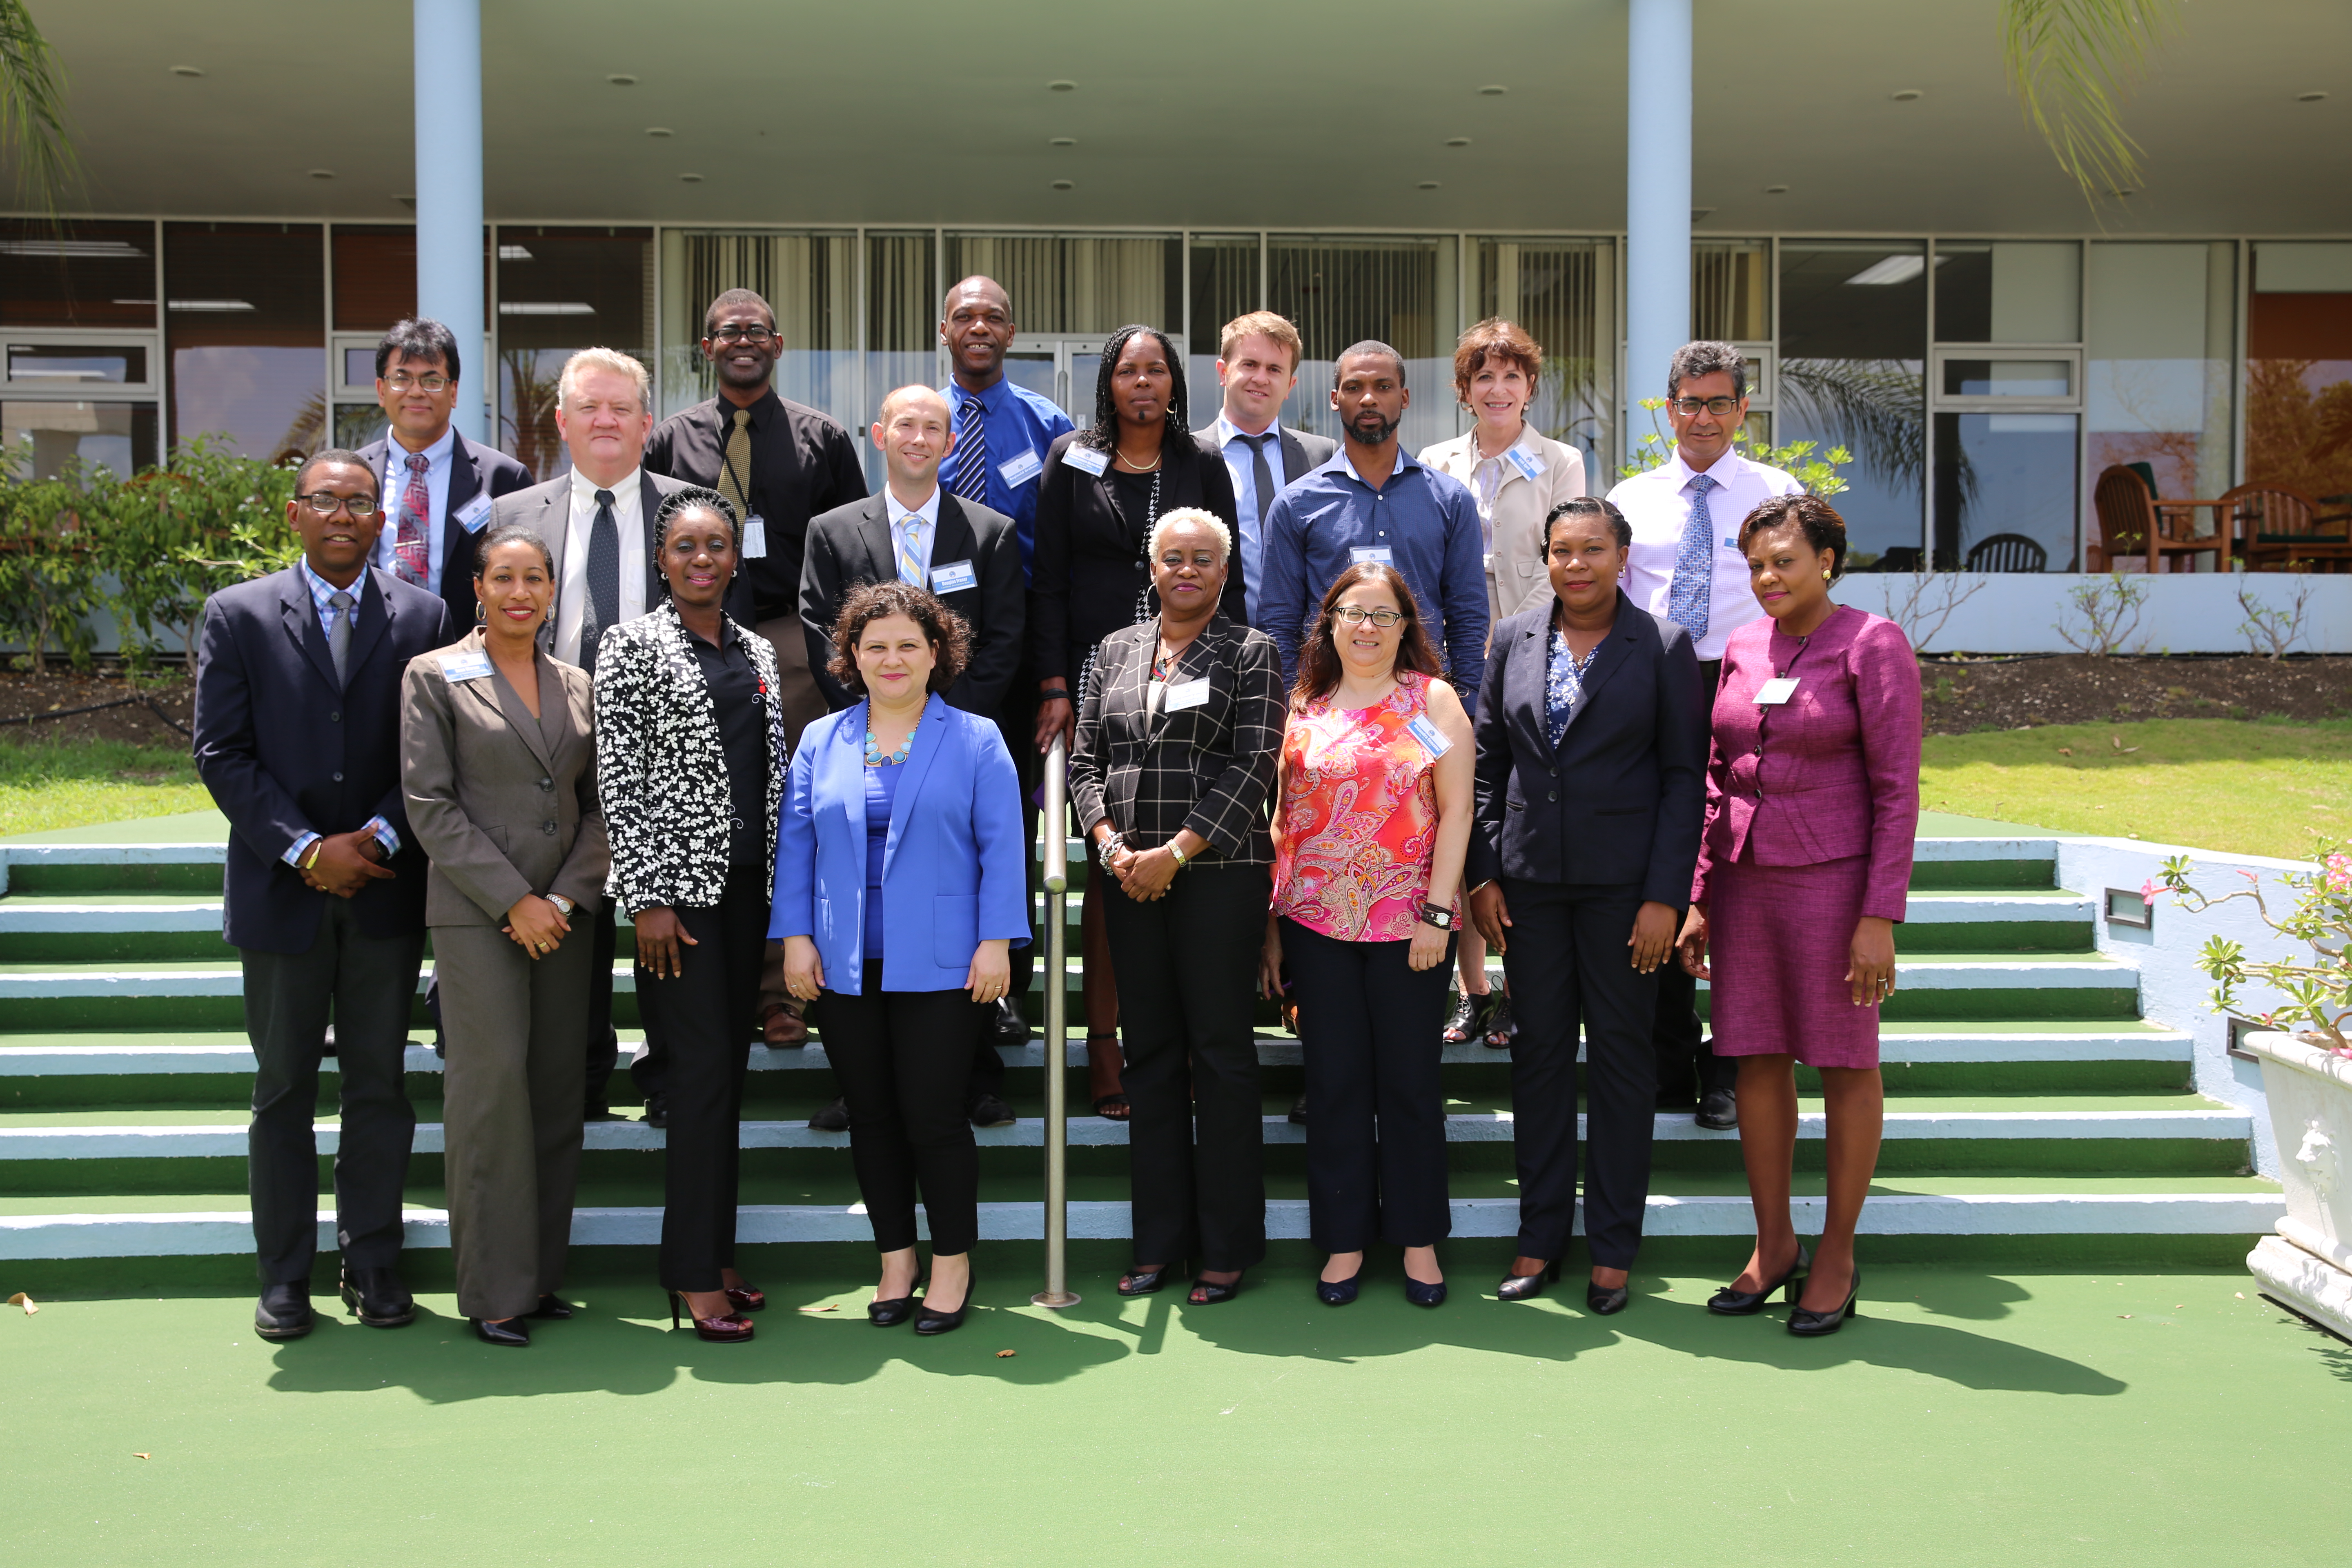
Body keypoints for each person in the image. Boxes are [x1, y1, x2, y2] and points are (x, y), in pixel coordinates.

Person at [191, 449, 457, 1341]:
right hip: (283, 895)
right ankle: (285, 1276)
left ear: (384, 521)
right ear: (295, 514)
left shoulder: (424, 615)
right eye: (326, 501)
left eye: (361, 503)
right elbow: (221, 754)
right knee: (283, 1092)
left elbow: (431, 754)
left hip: (384, 889)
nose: (344, 515)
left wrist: (378, 836)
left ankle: (375, 1262)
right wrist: (306, 850)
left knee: (380, 1086)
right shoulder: (238, 615)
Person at [1677, 493, 1920, 1337]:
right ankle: (1773, 1244)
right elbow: (1717, 775)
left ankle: (1838, 1253)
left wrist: (1878, 915)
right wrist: (1703, 894)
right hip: (1746, 885)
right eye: (1755, 566)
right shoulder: (1743, 647)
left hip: (1835, 886)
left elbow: (1897, 791)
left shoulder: (1872, 644)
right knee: (1753, 1059)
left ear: (1828, 561)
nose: (1768, 578)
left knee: (1846, 1064)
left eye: (1784, 561)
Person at [1465, 498, 1704, 1314]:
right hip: (1528, 888)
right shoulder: (1512, 639)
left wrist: (1665, 898)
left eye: (1593, 550)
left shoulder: (1664, 646)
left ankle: (1613, 1247)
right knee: (1536, 1062)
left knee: (1620, 1064)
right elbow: (1490, 762)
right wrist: (1485, 873)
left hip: (1623, 893)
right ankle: (1539, 1240)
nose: (1576, 565)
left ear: (1623, 555)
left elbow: (1683, 779)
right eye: (1562, 551)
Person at [774, 581, 1029, 1337]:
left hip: (947, 964)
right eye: (875, 645)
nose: (891, 658)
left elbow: (1002, 847)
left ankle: (952, 1262)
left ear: (935, 653)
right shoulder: (823, 738)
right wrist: (795, 937)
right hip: (845, 963)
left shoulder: (977, 738)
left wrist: (996, 942)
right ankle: (896, 1259)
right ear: (851, 656)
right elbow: (796, 845)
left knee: (935, 1118)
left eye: (907, 645)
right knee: (873, 1120)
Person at [398, 524, 607, 1347]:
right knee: (489, 1098)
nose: (521, 593)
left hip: (565, 919)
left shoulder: (578, 683)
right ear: (477, 588)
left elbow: (601, 807)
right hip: (481, 918)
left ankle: (539, 1277)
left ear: (553, 592)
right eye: (504, 578)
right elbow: (430, 806)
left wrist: (561, 898)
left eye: (536, 579)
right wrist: (514, 899)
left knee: (556, 1094)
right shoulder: (434, 675)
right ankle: (491, 1288)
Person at [1069, 509, 1284, 1307]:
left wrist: (1176, 852)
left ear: (1224, 574)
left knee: (1221, 1055)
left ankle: (1227, 1248)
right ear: (1151, 569)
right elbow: (1085, 757)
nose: (1186, 570)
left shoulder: (1252, 652)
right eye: (1172, 559)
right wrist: (1110, 845)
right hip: (1128, 877)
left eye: (1203, 560)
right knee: (1150, 1055)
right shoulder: (1113, 652)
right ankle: (1159, 1241)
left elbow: (1254, 762)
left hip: (1217, 875)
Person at [645, 289, 867, 1053]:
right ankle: (705, 992)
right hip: (690, 641)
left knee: (784, 815)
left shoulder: (823, 440)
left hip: (786, 643)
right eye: (727, 333)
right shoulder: (670, 440)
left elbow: (851, 554)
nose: (743, 342)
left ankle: (780, 994)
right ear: (705, 349)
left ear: (778, 345)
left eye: (757, 332)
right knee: (699, 807)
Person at [800, 385, 1025, 1131]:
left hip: (956, 752)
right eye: (907, 424)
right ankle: (857, 1085)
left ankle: (977, 1074)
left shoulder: (990, 532)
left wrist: (943, 728)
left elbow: (1002, 643)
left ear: (951, 441)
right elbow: (818, 632)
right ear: (880, 435)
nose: (920, 437)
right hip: (864, 743)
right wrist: (880, 718)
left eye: (936, 427)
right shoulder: (833, 532)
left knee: (959, 905)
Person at [1031, 324, 1242, 1119]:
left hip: (1188, 674)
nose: (1143, 383)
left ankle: (1180, 1044)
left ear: (1175, 382)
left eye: (1157, 369)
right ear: (1109, 384)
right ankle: (1106, 1047)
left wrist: (1231, 674)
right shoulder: (1071, 459)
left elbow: (1232, 576)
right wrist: (1055, 682)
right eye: (1129, 371)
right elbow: (1046, 578)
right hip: (1098, 680)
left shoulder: (1202, 465)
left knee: (1181, 860)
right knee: (1112, 865)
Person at [595, 488, 786, 1343]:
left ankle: (715, 1251)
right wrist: (648, 898)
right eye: (685, 546)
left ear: (734, 558)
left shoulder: (756, 650)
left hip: (751, 889)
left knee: (726, 1078)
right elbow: (620, 779)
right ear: (663, 559)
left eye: (716, 545)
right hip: (679, 899)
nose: (702, 558)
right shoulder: (630, 645)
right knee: (700, 1078)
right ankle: (690, 1275)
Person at [1262, 564, 1474, 1308]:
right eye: (1354, 613)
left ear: (1406, 627)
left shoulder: (1433, 702)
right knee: (1336, 1086)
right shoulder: (1303, 708)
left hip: (1406, 927)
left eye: (1385, 616)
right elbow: (1284, 823)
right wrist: (1275, 926)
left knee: (1410, 1087)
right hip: (1314, 925)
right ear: (1330, 623)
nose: (1368, 628)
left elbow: (1456, 815)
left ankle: (1419, 1243)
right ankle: (1344, 1241)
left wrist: (1438, 916)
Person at [1606, 340, 1802, 1133]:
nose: (1702, 418)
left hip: (1751, 689)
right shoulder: (1634, 497)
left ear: (1743, 411)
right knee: (1659, 871)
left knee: (1738, 878)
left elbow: (1799, 599)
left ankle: (1732, 1063)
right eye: (1688, 402)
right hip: (1656, 691)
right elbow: (1610, 609)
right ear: (1667, 408)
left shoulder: (1775, 493)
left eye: (1720, 403)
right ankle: (1665, 1054)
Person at [492, 348, 688, 1123]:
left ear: (647, 423)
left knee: (666, 920)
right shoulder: (514, 514)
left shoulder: (690, 507)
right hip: (550, 745)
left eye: (621, 409)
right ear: (561, 421)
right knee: (572, 920)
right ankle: (579, 1083)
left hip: (661, 751)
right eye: (589, 408)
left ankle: (670, 1077)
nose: (605, 421)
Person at [1419, 318, 1588, 1053]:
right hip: (1449, 665)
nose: (1498, 389)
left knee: (1515, 818)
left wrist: (1521, 641)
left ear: (1530, 387)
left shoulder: (1560, 462)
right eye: (1484, 377)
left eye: (1512, 376)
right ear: (1464, 391)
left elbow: (1569, 561)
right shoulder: (1432, 461)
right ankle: (1471, 989)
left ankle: (1520, 988)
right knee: (1454, 809)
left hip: (1528, 657)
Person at [1259, 342, 1488, 708]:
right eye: (1354, 388)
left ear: (1405, 397)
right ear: (1335, 399)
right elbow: (1279, 622)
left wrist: (1467, 707)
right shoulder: (1295, 504)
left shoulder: (1450, 500)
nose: (1368, 399)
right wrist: (1293, 708)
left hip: (1427, 706)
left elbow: (1469, 620)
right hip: (1327, 708)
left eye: (1383, 387)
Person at [355, 316, 534, 633]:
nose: (416, 392)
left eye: (431, 380)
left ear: (453, 392)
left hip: (467, 658)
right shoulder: (355, 475)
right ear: (381, 390)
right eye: (402, 379)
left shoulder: (505, 479)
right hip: (372, 652)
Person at [1191, 310, 1336, 623]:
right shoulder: (1188, 456)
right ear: (1223, 372)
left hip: (1304, 648)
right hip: (1216, 645)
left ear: (1290, 384)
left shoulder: (1321, 455)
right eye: (1250, 365)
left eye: (1274, 369)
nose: (1261, 378)